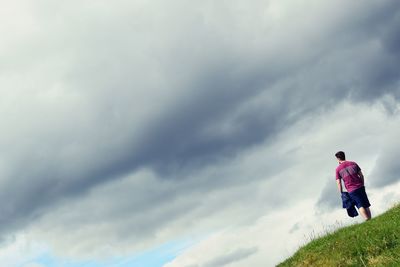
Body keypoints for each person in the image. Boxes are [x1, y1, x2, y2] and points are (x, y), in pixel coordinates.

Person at [335, 151, 372, 221]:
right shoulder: (353, 163)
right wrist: (362, 184)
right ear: (344, 156)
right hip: (360, 186)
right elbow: (361, 175)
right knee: (366, 204)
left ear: (338, 158)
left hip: (351, 190)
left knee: (359, 205)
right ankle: (370, 219)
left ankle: (367, 219)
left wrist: (341, 192)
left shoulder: (338, 169)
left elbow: (339, 183)